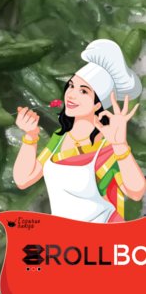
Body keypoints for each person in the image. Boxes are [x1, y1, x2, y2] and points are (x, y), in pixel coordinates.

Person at [12, 38, 145, 223]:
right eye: (71, 86)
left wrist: (120, 145)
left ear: (98, 103)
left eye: (83, 91)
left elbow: (136, 191)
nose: (72, 94)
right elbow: (23, 179)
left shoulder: (104, 145)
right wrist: (31, 136)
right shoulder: (60, 138)